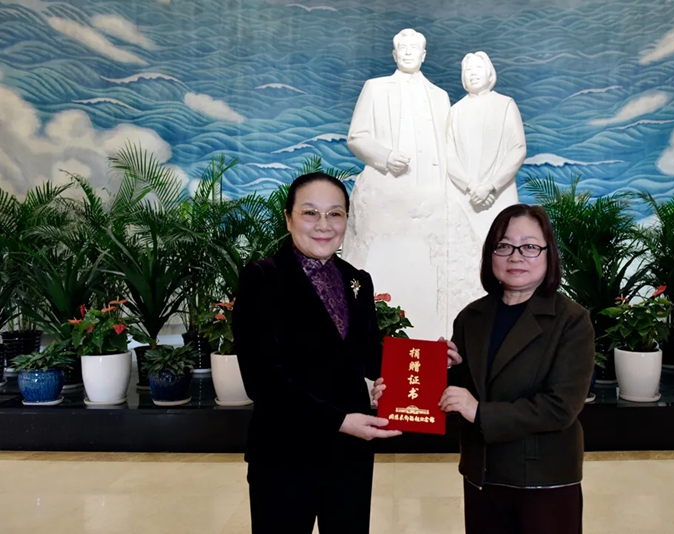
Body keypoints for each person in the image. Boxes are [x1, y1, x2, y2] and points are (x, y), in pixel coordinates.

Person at [232, 172, 402, 534]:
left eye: (335, 213)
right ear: (288, 218)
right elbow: (262, 380)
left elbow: (370, 355)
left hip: (351, 454)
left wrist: (424, 363)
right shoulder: (262, 278)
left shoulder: (357, 281)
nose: (324, 225)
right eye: (310, 213)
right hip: (284, 454)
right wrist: (338, 421)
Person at [440, 204, 595, 534]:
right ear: (490, 254)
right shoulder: (472, 317)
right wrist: (439, 374)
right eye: (504, 245)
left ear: (548, 254)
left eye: (529, 246)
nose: (515, 256)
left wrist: (480, 412)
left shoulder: (571, 320)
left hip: (543, 481)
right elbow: (464, 393)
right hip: (482, 474)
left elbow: (560, 407)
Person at [342, 27, 451, 341]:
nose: (408, 53)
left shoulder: (440, 97)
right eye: (402, 48)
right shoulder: (376, 89)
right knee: (381, 270)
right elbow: (357, 137)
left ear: (424, 55)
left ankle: (429, 345)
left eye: (414, 48)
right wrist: (386, 157)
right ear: (393, 54)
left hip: (429, 202)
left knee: (427, 278)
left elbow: (449, 149)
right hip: (385, 199)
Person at [446, 51, 527, 325]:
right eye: (468, 69)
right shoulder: (455, 112)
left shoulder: (505, 105)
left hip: (499, 196)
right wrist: (471, 186)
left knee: (503, 249)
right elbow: (448, 156)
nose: (472, 73)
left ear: (490, 73)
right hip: (464, 197)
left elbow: (517, 149)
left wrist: (491, 186)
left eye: (478, 68)